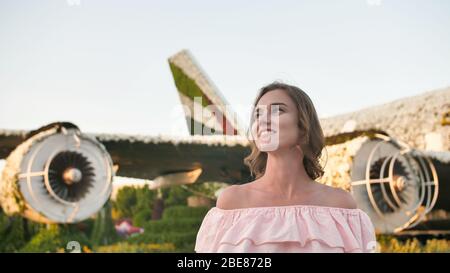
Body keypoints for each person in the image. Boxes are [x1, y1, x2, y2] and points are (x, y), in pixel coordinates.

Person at [195, 82, 377, 253]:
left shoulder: (341, 207)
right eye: (258, 115)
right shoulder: (231, 203)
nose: (262, 121)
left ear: (304, 127)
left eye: (277, 111)